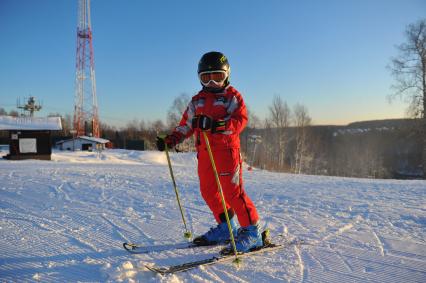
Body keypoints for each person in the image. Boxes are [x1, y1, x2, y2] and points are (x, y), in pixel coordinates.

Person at [156, 51, 262, 252]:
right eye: (207, 78)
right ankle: (226, 227)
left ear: (227, 75)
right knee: (208, 192)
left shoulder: (232, 97)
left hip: (227, 152)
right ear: (200, 78)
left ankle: (252, 233)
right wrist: (171, 140)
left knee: (233, 193)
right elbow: (185, 125)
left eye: (217, 77)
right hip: (205, 153)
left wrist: (215, 124)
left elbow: (239, 122)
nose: (212, 83)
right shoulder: (197, 101)